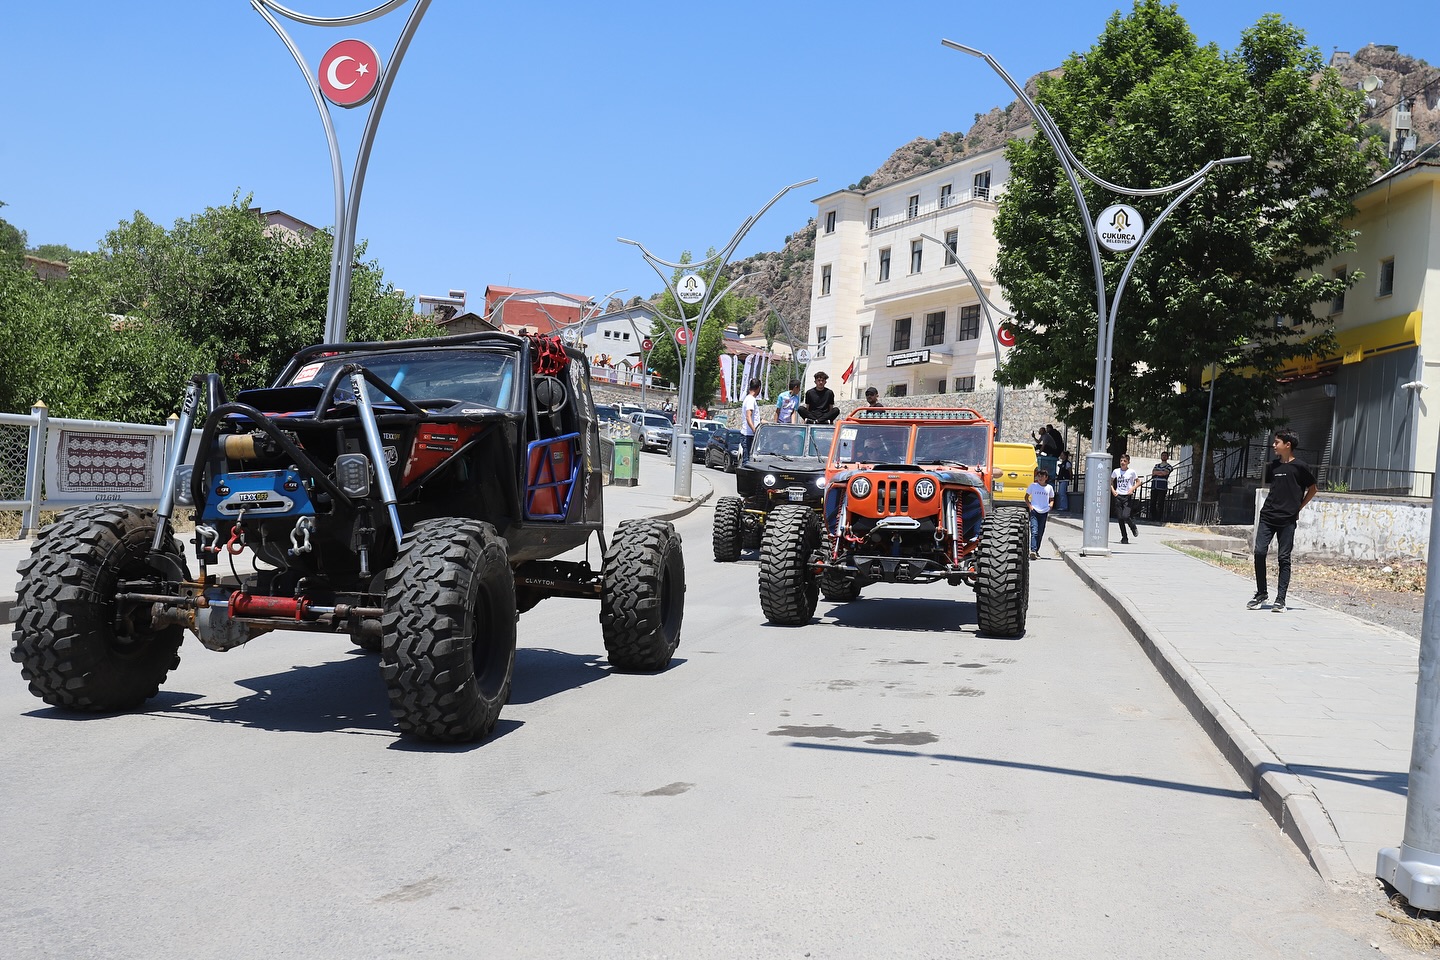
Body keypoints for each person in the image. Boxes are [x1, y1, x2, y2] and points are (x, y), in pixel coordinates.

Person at [1249, 430, 1318, 614]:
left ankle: (1280, 600)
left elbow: (1313, 489)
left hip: (1287, 520)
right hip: (1268, 516)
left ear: (1288, 445)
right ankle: (1262, 593)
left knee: (1283, 558)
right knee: (1259, 552)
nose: (1274, 445)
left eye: (1277, 442)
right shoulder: (1273, 466)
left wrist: (1298, 508)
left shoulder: (1301, 467)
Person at [1110, 453, 1140, 544]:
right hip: (1118, 495)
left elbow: (1138, 482)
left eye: (1125, 461)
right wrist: (1113, 490)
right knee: (1120, 518)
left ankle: (1133, 527)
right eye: (1121, 461)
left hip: (1127, 496)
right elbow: (1111, 481)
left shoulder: (1131, 472)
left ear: (1128, 462)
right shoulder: (1116, 471)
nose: (1122, 463)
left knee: (1125, 516)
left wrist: (1132, 488)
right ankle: (1124, 537)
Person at [1025, 468, 1054, 560]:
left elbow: (1052, 498)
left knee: (1040, 532)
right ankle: (1032, 550)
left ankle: (1036, 550)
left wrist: (1050, 506)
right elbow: (1026, 497)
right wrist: (1030, 506)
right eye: (1039, 476)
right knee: (1034, 531)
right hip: (1034, 511)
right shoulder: (1033, 486)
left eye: (1042, 476)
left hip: (1044, 512)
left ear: (1046, 478)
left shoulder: (1049, 488)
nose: (1040, 478)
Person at [1150, 451, 1174, 521]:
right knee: (1153, 502)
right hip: (1154, 486)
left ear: (1167, 457)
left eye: (1165, 456)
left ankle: (1159, 517)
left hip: (1162, 487)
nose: (1163, 457)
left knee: (1160, 503)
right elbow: (1153, 472)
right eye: (1162, 455)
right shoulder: (1156, 465)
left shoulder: (1169, 466)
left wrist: (1159, 473)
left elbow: (1165, 473)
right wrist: (1161, 472)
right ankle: (1153, 517)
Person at [740, 378, 761, 459]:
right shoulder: (751, 400)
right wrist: (755, 431)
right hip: (748, 435)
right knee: (747, 461)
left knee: (749, 459)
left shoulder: (748, 399)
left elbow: (753, 417)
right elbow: (748, 416)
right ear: (759, 388)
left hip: (748, 435)